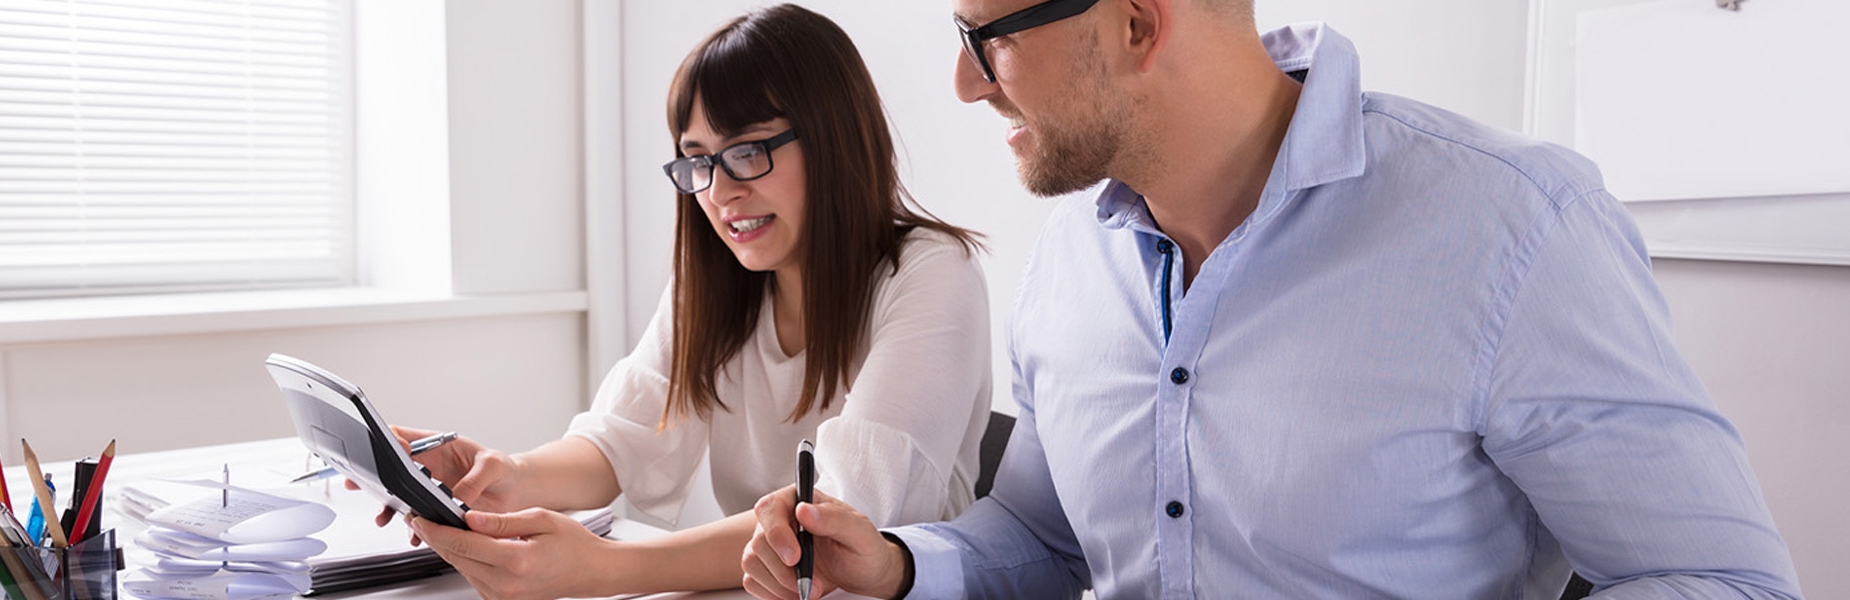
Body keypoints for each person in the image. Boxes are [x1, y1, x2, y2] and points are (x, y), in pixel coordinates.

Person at [742, 0, 1804, 598]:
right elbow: (1045, 541)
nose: (969, 83)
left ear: (1136, 24)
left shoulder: (1516, 229)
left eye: (989, 35)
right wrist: (891, 569)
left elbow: (1722, 582)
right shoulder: (1069, 264)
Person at [386, 4, 994, 598]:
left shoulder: (933, 273)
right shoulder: (720, 282)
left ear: (836, 138)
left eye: (750, 151)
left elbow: (839, 514)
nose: (722, 191)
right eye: (699, 160)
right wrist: (503, 477)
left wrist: (603, 568)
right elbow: (621, 441)